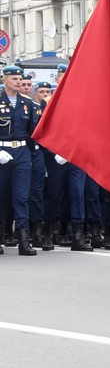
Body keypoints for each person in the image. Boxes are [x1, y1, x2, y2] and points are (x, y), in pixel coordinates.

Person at [0, 64, 39, 256]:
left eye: (19, 79)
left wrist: (30, 154)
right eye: (14, 79)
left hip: (22, 153)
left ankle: (23, 240)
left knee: (21, 197)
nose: (17, 82)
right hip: (1, 153)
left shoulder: (27, 103)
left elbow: (34, 132)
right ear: (4, 79)